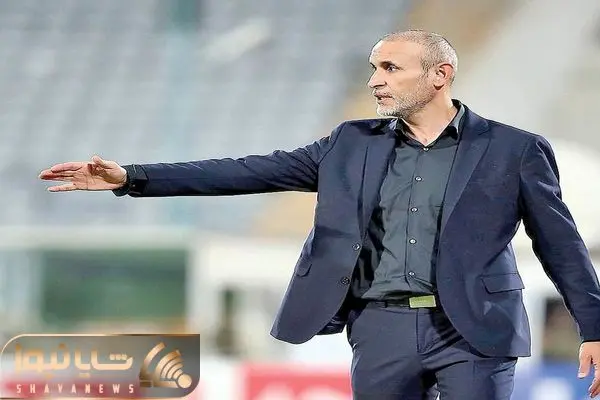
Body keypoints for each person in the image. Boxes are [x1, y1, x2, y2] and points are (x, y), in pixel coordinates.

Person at [39, 30, 600, 399]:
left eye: (391, 67)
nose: (375, 79)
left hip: (475, 328)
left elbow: (561, 245)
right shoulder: (349, 143)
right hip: (380, 326)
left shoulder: (514, 149)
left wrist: (594, 328)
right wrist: (132, 177)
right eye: (373, 68)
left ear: (440, 74)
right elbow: (246, 171)